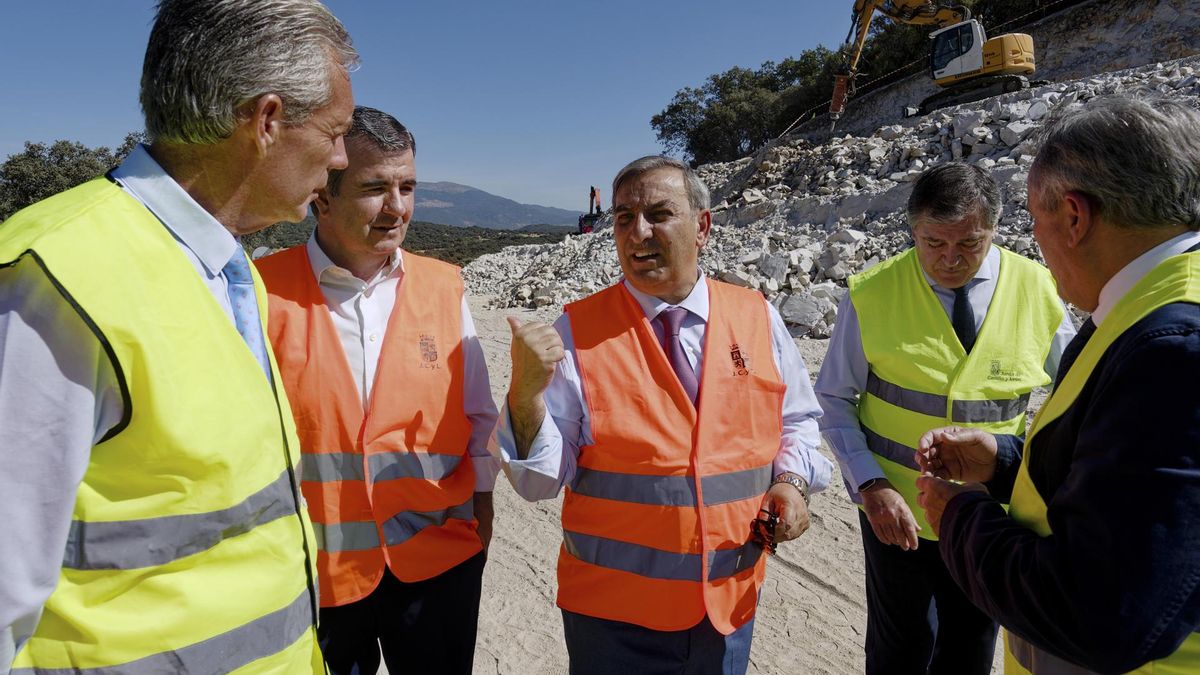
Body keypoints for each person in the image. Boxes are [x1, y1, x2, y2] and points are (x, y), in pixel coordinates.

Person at [0, 1, 356, 673]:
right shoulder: (57, 280)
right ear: (268, 121)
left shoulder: (223, 268)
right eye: (334, 132)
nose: (339, 157)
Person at [497, 155, 833, 675]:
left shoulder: (756, 315)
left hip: (726, 608)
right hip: (611, 619)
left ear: (702, 226)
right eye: (623, 218)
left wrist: (791, 479)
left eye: (658, 214)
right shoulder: (574, 333)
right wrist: (524, 396)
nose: (638, 232)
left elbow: (798, 421)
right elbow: (536, 483)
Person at [915, 95, 1200, 673]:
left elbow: (1100, 611)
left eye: (1035, 223)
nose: (1038, 249)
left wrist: (960, 518)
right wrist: (1005, 464)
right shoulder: (1152, 310)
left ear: (1074, 216)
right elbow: (1122, 484)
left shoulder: (1169, 348)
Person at [255, 106, 499, 675]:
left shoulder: (444, 286)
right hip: (317, 572)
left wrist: (482, 519)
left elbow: (478, 413)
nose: (398, 207)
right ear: (321, 195)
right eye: (375, 188)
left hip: (437, 564)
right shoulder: (261, 292)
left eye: (407, 186)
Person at [814, 162, 1075, 675]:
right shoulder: (871, 293)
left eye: (969, 244)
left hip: (990, 514)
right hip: (896, 512)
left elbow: (1077, 390)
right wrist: (870, 485)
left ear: (994, 230)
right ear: (913, 229)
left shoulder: (1037, 287)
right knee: (899, 650)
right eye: (933, 243)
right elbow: (834, 399)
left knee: (972, 647)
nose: (950, 260)